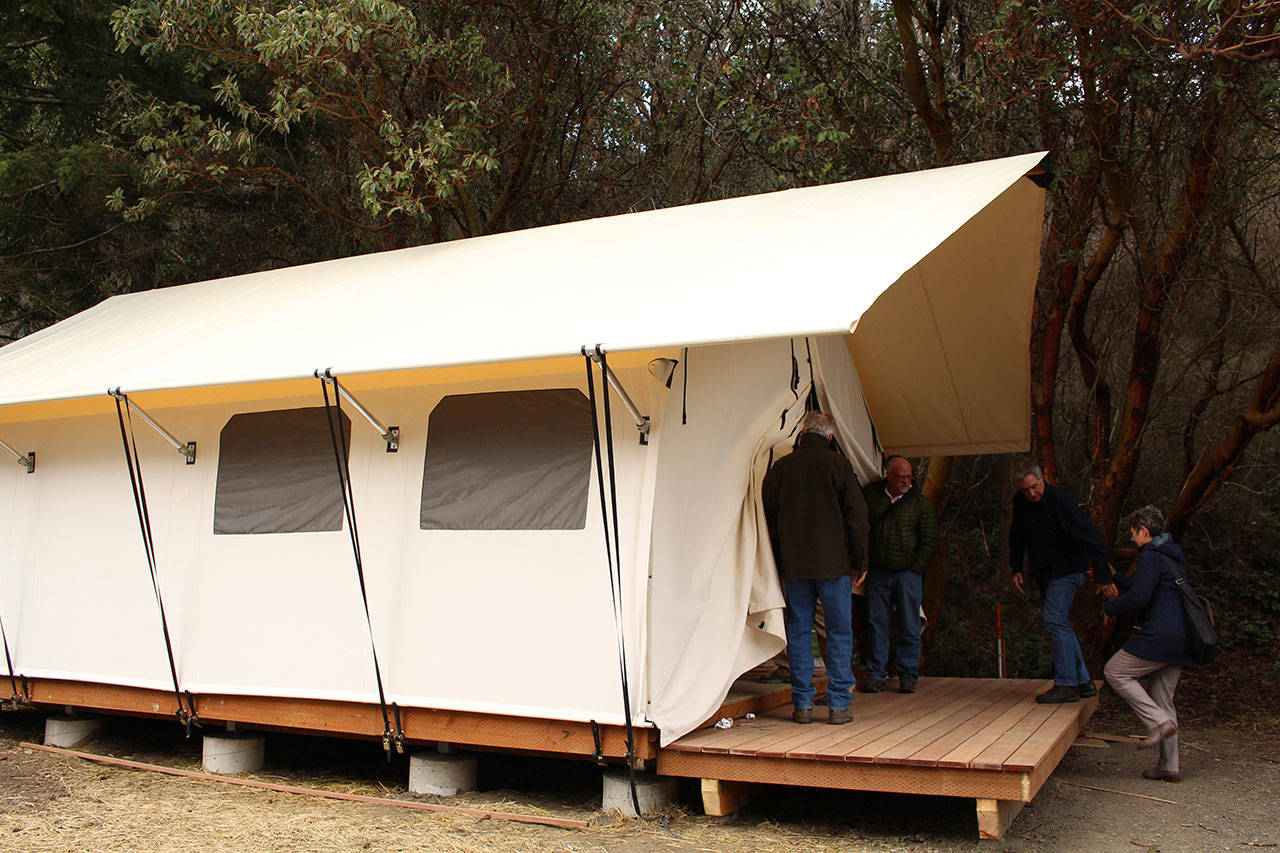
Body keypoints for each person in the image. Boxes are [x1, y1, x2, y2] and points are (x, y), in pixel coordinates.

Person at [762, 411, 868, 725]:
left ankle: (803, 705)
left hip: (795, 566)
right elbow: (857, 518)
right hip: (835, 566)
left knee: (798, 632)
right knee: (838, 633)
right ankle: (838, 705)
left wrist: (779, 560)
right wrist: (860, 560)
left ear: (802, 433)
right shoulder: (839, 465)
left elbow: (769, 517)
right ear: (830, 437)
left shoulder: (781, 468)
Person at [1008, 459, 1116, 703]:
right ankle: (1084, 682)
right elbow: (1017, 535)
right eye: (1026, 489)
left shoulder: (1060, 501)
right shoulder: (1021, 502)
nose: (1032, 493)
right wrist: (1016, 567)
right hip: (1044, 571)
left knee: (1054, 620)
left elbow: (1091, 536)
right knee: (1059, 623)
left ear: (1042, 478)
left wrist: (1102, 574)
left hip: (1069, 569)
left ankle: (1066, 683)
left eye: (1035, 487)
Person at [1103, 505, 1193, 783]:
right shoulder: (1170, 557)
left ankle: (1157, 722)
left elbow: (1140, 598)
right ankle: (1169, 766)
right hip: (1182, 638)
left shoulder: (1151, 557)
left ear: (1144, 531)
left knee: (1115, 671)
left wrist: (1110, 608)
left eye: (1133, 533)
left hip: (1160, 636)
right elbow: (1145, 588)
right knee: (1163, 697)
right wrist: (1115, 577)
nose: (1132, 539)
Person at [861, 456, 938, 694]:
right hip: (878, 572)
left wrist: (916, 567)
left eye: (908, 477)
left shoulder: (920, 504)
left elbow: (929, 539)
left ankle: (907, 673)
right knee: (876, 624)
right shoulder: (871, 496)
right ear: (888, 475)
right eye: (900, 477)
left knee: (909, 624)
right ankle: (876, 673)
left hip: (907, 573)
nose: (906, 481)